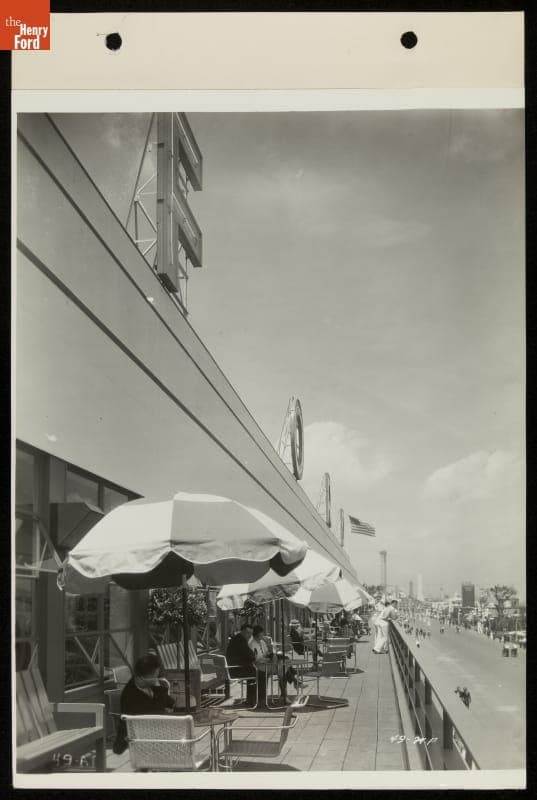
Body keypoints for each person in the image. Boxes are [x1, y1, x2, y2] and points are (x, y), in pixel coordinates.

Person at [113, 653, 175, 755]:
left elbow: (170, 703)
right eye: (156, 675)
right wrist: (158, 687)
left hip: (154, 735)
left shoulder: (146, 686)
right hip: (147, 742)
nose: (157, 677)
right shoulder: (131, 695)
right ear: (145, 677)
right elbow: (158, 714)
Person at [226, 623, 257, 706]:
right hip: (235, 670)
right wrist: (254, 657)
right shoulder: (240, 640)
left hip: (235, 668)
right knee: (257, 673)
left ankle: (251, 700)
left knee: (254, 671)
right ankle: (252, 700)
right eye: (248, 633)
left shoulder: (238, 639)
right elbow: (250, 655)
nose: (250, 636)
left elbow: (248, 655)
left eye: (251, 634)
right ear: (242, 631)